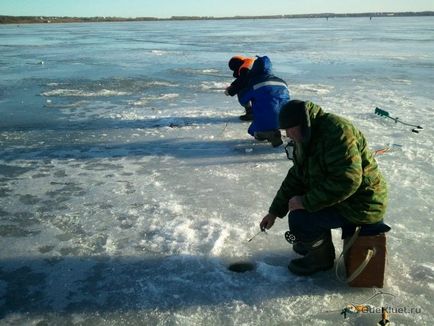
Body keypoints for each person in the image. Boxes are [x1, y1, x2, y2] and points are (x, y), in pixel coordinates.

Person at [259, 100, 389, 275]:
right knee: (299, 211)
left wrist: (306, 201)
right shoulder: (305, 137)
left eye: (290, 129)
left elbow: (347, 181)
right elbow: (297, 175)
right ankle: (314, 244)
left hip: (361, 203)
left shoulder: (337, 133)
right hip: (344, 198)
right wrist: (274, 211)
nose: (288, 135)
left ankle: (321, 260)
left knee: (300, 218)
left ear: (303, 123)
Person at [237, 55, 290, 147]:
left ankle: (269, 134)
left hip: (266, 119)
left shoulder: (254, 83)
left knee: (253, 132)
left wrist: (241, 89)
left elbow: (243, 100)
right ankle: (278, 131)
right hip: (284, 120)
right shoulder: (282, 82)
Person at [224, 55, 256, 121]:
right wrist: (232, 85)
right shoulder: (252, 63)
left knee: (242, 91)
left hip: (257, 88)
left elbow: (242, 83)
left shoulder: (245, 68)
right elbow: (242, 79)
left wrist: (230, 91)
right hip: (266, 87)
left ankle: (250, 112)